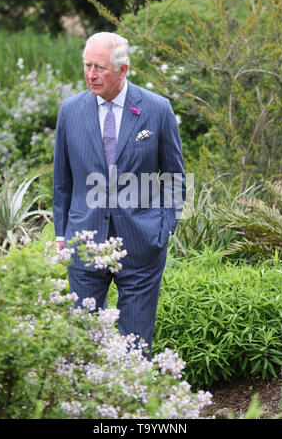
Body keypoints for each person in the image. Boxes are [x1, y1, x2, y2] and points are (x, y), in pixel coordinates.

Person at [53, 32, 185, 356]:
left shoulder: (157, 109)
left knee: (135, 346)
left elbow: (176, 178)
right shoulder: (70, 111)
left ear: (123, 70)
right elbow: (62, 181)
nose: (91, 75)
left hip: (141, 244)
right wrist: (61, 233)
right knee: (81, 343)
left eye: (100, 68)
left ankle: (132, 406)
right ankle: (83, 408)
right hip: (84, 239)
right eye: (87, 66)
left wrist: (163, 229)